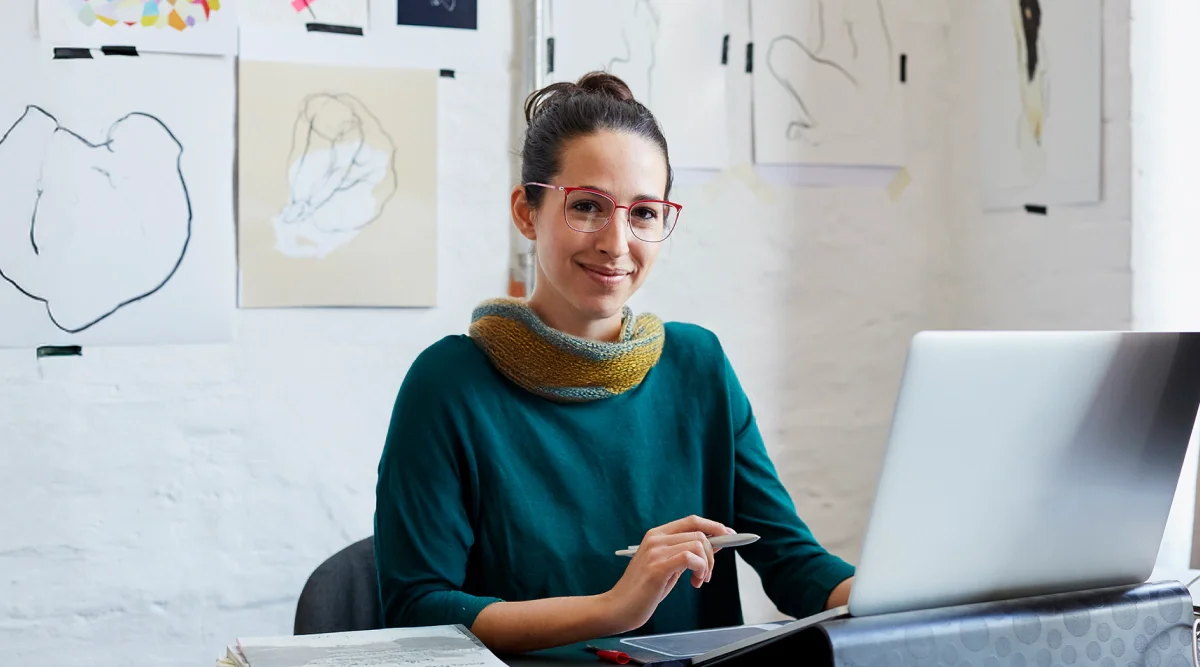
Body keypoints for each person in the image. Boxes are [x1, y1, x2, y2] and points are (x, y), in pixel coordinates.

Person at [373, 71, 854, 655]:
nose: (616, 242)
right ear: (528, 212)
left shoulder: (697, 364)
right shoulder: (449, 384)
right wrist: (613, 609)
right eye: (587, 207)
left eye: (644, 213)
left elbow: (792, 562)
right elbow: (418, 607)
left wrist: (906, 592)